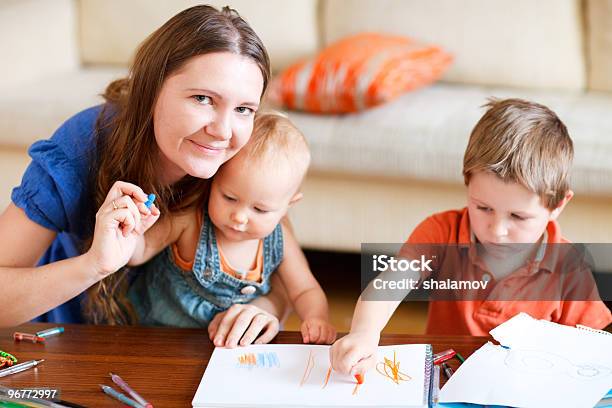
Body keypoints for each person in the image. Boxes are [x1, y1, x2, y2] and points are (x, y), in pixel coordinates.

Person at [0, 5, 298, 346]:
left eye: (244, 109)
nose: (222, 130)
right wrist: (95, 265)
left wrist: (264, 307)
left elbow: (282, 270)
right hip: (74, 341)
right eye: (203, 98)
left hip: (187, 350)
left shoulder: (244, 148)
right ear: (150, 88)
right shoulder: (82, 146)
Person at [330, 98, 612, 375]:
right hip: (443, 378)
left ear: (558, 205)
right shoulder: (441, 232)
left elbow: (589, 348)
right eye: (483, 208)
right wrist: (365, 332)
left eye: (518, 217)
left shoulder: (570, 266)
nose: (497, 230)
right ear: (467, 183)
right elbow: (390, 284)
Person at [124, 112, 336, 346]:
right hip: (161, 339)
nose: (239, 216)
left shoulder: (280, 238)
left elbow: (304, 290)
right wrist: (133, 230)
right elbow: (138, 254)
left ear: (288, 206)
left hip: (233, 348)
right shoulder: (190, 220)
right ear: (213, 181)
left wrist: (317, 318)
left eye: (260, 209)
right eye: (229, 198)